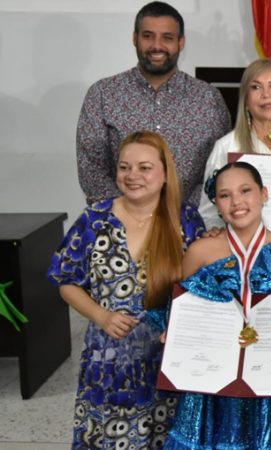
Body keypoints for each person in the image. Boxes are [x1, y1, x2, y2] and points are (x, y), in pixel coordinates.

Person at [48, 131, 205, 449]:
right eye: (124, 167)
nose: (133, 175)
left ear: (165, 173)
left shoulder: (185, 219)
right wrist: (101, 315)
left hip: (168, 359)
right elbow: (66, 280)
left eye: (144, 167)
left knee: (165, 438)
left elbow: (204, 284)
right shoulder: (95, 219)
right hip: (108, 362)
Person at [164, 161, 271, 450]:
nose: (236, 201)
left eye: (245, 191)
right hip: (210, 389)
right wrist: (174, 332)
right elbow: (182, 310)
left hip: (268, 385)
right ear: (216, 204)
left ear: (264, 194)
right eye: (225, 195)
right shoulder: (200, 251)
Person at [77, 1, 230, 207]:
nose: (157, 46)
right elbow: (91, 170)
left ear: (181, 42)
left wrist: (183, 214)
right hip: (120, 221)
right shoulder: (103, 95)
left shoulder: (208, 99)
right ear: (135, 38)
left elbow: (220, 168)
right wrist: (132, 214)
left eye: (167, 38)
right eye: (148, 36)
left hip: (192, 220)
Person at [198, 58, 271, 229]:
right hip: (245, 244)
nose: (265, 94)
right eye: (256, 87)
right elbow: (209, 215)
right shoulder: (227, 147)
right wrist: (217, 233)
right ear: (246, 97)